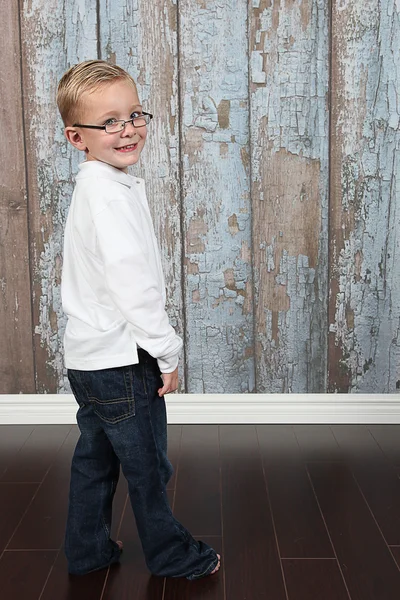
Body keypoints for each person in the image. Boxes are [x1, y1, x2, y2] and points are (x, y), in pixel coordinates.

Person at [56, 59, 220, 579]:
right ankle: (173, 557)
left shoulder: (101, 186)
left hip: (89, 359)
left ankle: (87, 550)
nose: (125, 129)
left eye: (133, 115)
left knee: (96, 458)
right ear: (76, 137)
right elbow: (135, 288)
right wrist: (166, 350)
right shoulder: (108, 198)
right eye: (108, 122)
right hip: (123, 361)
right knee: (148, 466)